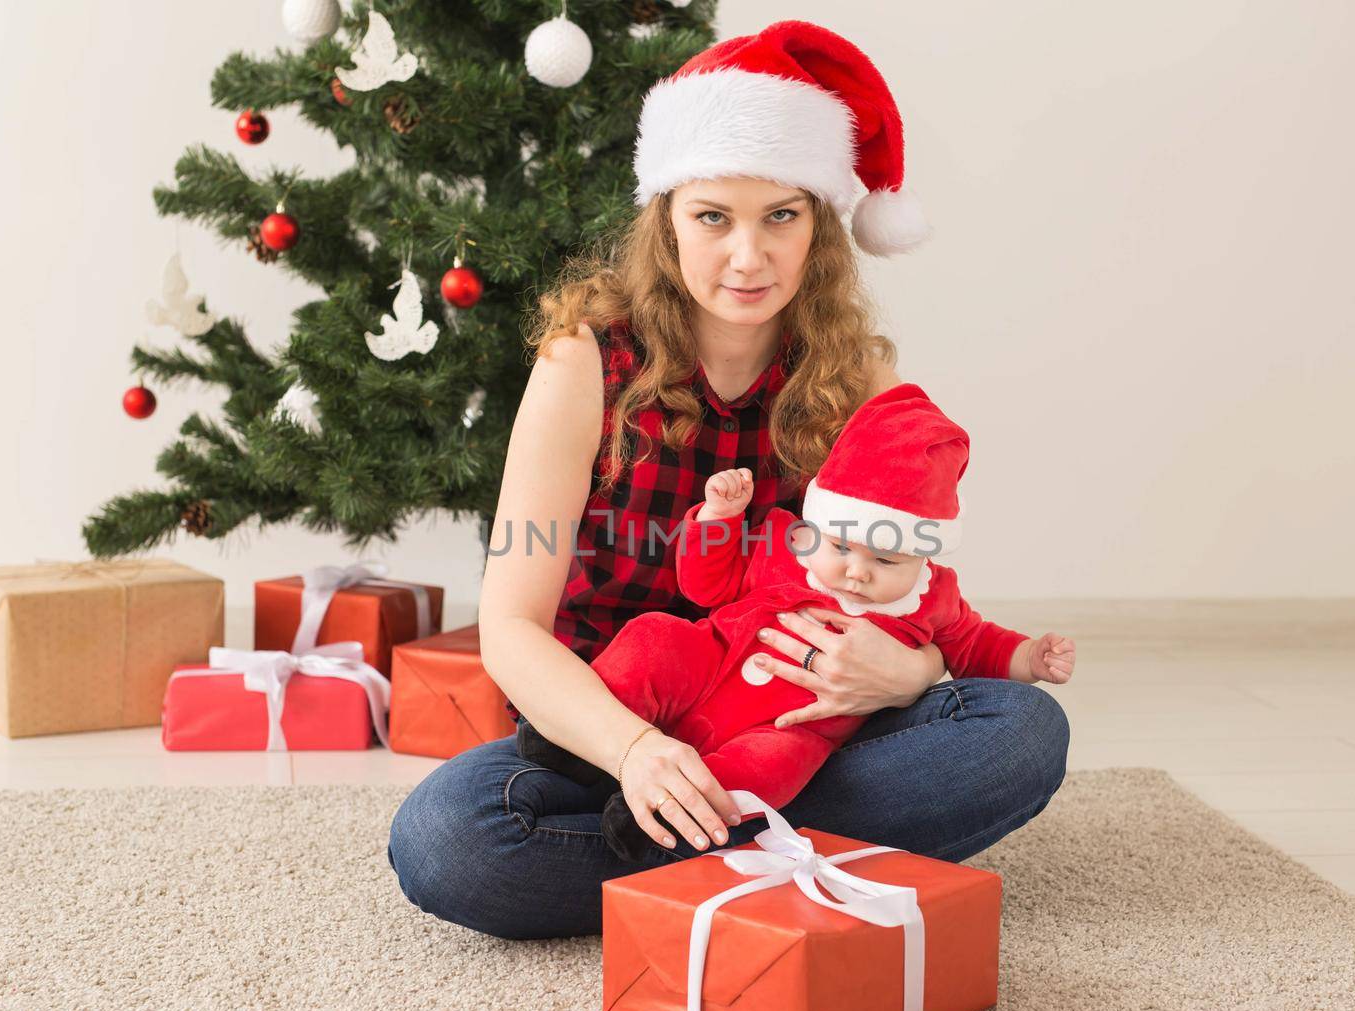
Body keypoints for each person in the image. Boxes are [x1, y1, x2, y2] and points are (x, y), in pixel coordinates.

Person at [387, 19, 1070, 940]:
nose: (748, 257)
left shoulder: (857, 380)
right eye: (713, 217)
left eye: (780, 216)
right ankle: (762, 853)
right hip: (608, 730)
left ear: (819, 226)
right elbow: (511, 628)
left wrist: (908, 672)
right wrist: (637, 751)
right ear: (666, 218)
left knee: (1021, 730)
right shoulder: (581, 364)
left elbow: (919, 600)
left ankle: (691, 855)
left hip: (790, 729)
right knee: (446, 839)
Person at [514, 382, 1077, 860]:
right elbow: (705, 584)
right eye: (842, 547)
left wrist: (1027, 657)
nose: (856, 573)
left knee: (772, 770)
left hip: (790, 727)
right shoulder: (788, 544)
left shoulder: (933, 599)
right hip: (709, 665)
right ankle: (577, 746)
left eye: (885, 561)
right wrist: (718, 520)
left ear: (924, 555)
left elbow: (973, 645)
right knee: (653, 639)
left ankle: (668, 828)